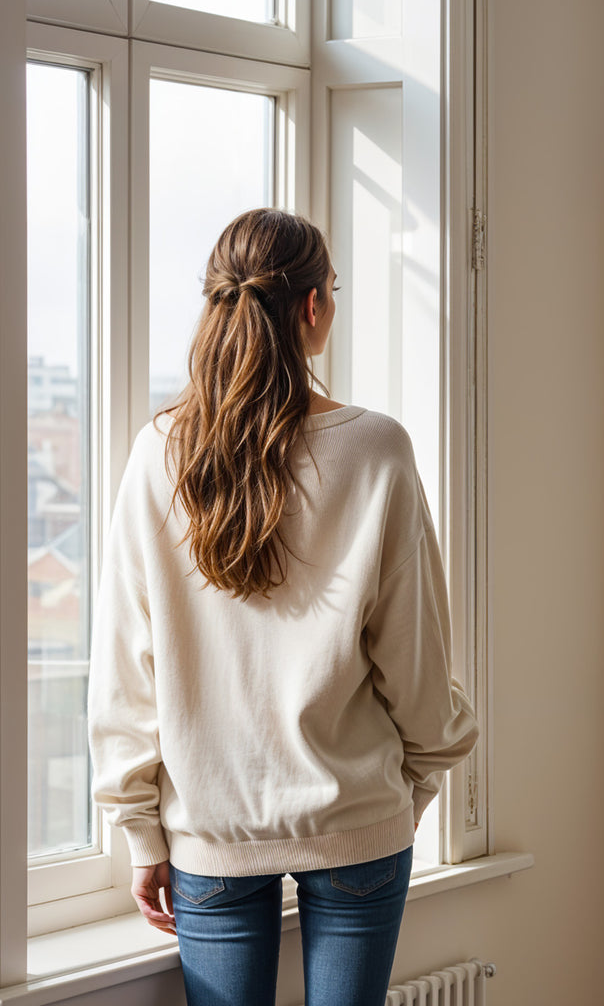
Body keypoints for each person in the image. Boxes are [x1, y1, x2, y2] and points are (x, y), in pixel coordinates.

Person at [88, 209, 479, 1006]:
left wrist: (140, 831)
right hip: (359, 817)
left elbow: (126, 658)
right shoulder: (375, 449)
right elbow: (415, 650)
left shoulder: (158, 451)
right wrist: (422, 778)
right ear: (311, 308)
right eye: (332, 290)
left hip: (209, 831)